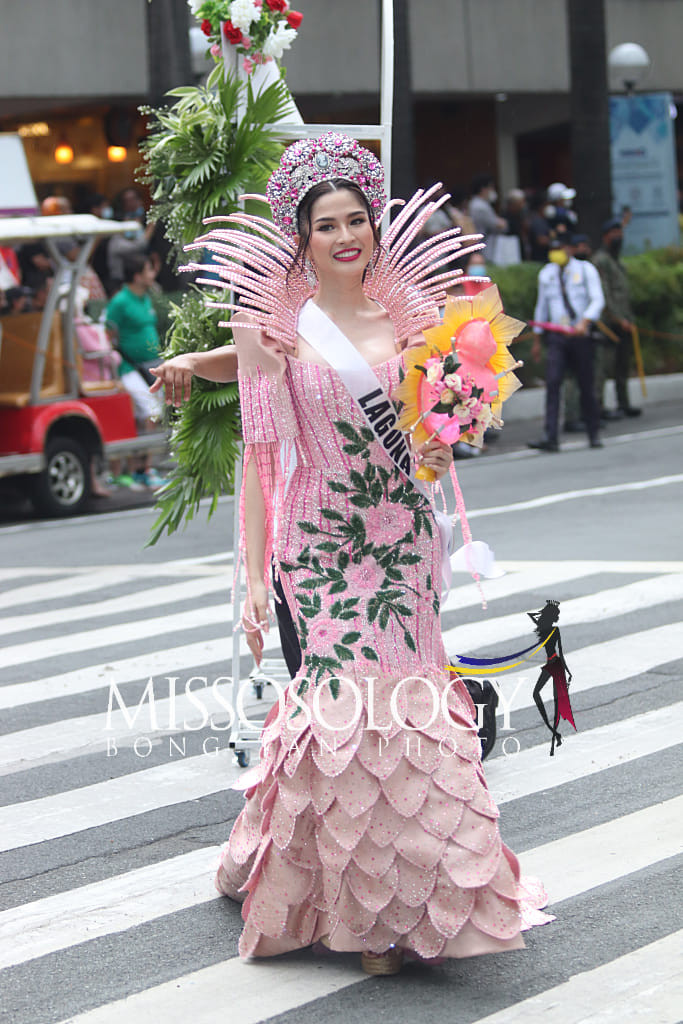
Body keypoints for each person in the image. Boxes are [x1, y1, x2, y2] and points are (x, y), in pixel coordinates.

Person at [156, 134, 551, 973]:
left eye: (356, 220)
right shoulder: (274, 328)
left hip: (402, 538)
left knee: (406, 712)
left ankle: (415, 896)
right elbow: (261, 460)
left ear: (373, 228)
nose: (345, 235)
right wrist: (258, 578)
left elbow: (435, 427)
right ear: (299, 236)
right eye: (326, 223)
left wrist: (445, 440)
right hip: (321, 543)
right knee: (343, 717)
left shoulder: (413, 321)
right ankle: (362, 916)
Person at [528, 236, 605, 452]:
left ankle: (593, 431)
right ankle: (550, 435)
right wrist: (537, 338)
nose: (556, 253)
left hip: (580, 335)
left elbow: (597, 299)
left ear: (569, 249)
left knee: (586, 385)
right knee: (553, 383)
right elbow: (541, 307)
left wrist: (585, 321)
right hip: (557, 337)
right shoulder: (547, 274)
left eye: (559, 248)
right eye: (552, 249)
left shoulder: (586, 269)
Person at [105, 253, 167, 489]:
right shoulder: (120, 301)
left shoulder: (147, 298)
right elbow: (109, 333)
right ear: (137, 275)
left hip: (151, 365)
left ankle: (145, 468)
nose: (153, 275)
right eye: (149, 270)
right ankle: (137, 469)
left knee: (153, 414)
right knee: (149, 410)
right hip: (129, 367)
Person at [592, 217, 641, 419]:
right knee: (604, 366)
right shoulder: (601, 260)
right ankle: (599, 407)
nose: (618, 237)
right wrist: (618, 318)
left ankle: (624, 402)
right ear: (605, 237)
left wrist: (627, 318)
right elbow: (604, 294)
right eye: (614, 234)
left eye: (620, 233)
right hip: (609, 323)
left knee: (623, 364)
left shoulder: (617, 261)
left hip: (624, 322)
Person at [468, 173, 507, 253]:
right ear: (483, 189)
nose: (493, 190)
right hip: (484, 246)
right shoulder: (480, 206)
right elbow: (496, 225)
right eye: (491, 187)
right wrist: (501, 223)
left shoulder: (479, 203)